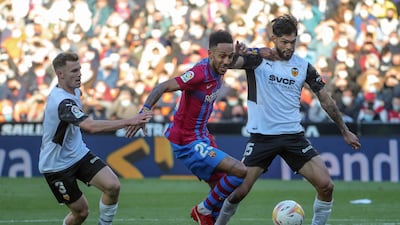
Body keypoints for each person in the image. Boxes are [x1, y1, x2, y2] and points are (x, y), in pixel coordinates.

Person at [216, 14, 362, 225]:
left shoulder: (304, 67)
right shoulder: (257, 59)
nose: (289, 47)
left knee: (326, 185)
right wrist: (233, 54)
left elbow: (326, 100)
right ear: (273, 39)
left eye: (293, 42)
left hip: (293, 137)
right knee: (238, 192)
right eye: (284, 42)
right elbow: (228, 63)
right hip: (262, 138)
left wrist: (344, 130)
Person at [125, 30, 248, 225]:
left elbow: (235, 60)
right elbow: (162, 87)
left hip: (203, 137)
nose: (226, 61)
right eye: (222, 56)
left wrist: (242, 54)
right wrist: (144, 111)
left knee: (223, 193)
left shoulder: (221, 66)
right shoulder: (199, 74)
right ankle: (202, 210)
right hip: (187, 141)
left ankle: (207, 214)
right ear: (210, 54)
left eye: (229, 56)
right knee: (240, 171)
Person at [38, 52, 153, 225]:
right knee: (81, 213)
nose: (79, 74)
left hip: (78, 154)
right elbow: (90, 126)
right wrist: (130, 121)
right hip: (56, 166)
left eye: (80, 69)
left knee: (113, 186)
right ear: (60, 75)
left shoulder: (75, 90)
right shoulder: (61, 101)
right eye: (74, 71)